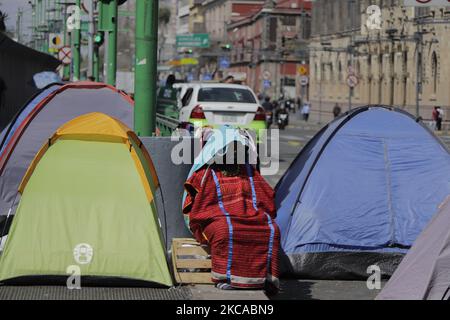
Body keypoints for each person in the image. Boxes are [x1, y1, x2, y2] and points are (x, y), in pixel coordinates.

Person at [183, 133, 280, 293]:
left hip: (251, 215)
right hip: (217, 218)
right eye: (229, 149)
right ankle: (227, 276)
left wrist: (255, 212)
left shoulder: (248, 170)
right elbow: (199, 202)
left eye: (237, 149)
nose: (233, 153)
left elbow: (265, 193)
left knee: (271, 229)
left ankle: (265, 278)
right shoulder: (208, 172)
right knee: (224, 231)